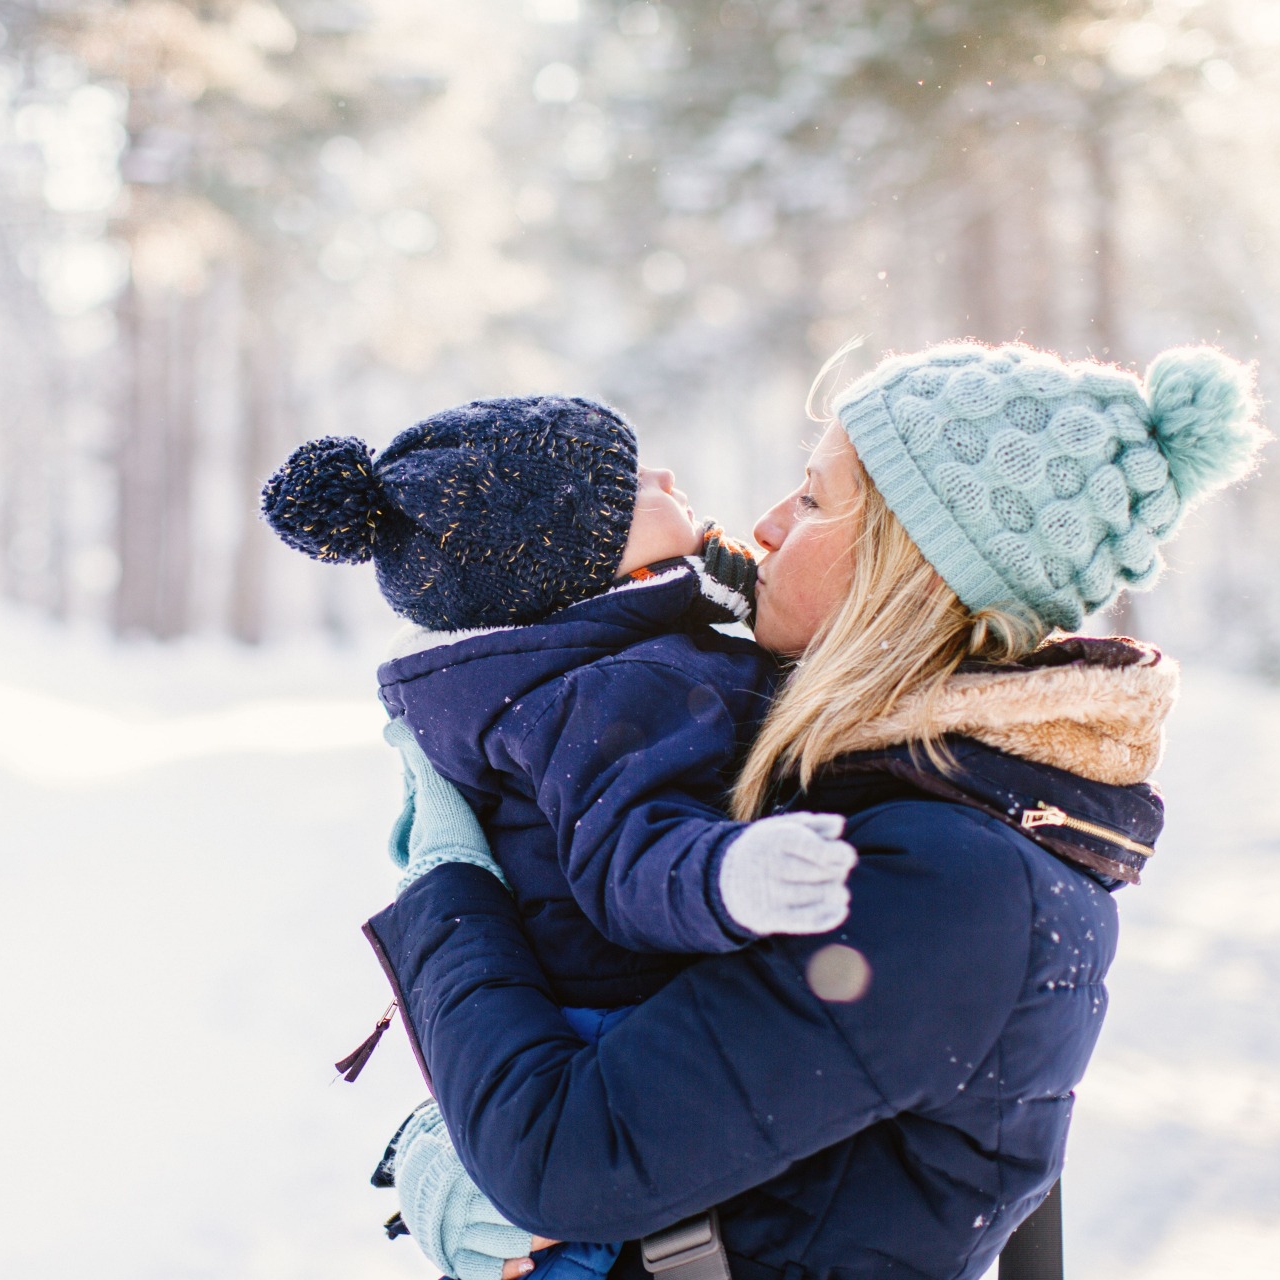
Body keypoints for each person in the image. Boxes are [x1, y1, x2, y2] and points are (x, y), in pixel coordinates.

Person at [364, 342, 1268, 1280]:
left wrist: (448, 882)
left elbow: (565, 1160)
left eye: (811, 500)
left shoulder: (954, 879)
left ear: (910, 566)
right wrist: (461, 1128)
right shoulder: (872, 792)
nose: (762, 524)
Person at [260, 396, 862, 1280]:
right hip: (608, 1025)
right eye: (630, 485)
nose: (663, 478)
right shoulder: (610, 688)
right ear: (574, 561)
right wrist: (733, 876)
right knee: (569, 1253)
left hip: (596, 1019)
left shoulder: (614, 649)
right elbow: (632, 854)